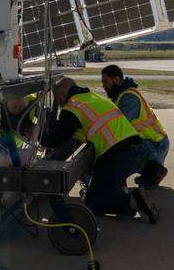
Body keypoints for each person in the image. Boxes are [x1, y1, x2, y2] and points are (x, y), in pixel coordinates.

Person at [40, 77, 158, 223]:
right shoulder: (92, 98)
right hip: (139, 150)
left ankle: (134, 200)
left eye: (56, 98)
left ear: (63, 93)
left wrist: (39, 135)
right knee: (107, 183)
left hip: (119, 158)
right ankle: (126, 195)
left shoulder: (72, 108)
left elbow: (56, 141)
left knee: (93, 202)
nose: (57, 103)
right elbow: (76, 128)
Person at [101, 64, 169, 189]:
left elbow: (119, 125)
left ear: (116, 79)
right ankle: (150, 172)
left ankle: (153, 171)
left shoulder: (129, 98)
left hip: (155, 145)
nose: (104, 86)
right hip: (153, 141)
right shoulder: (122, 95)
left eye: (106, 82)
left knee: (117, 150)